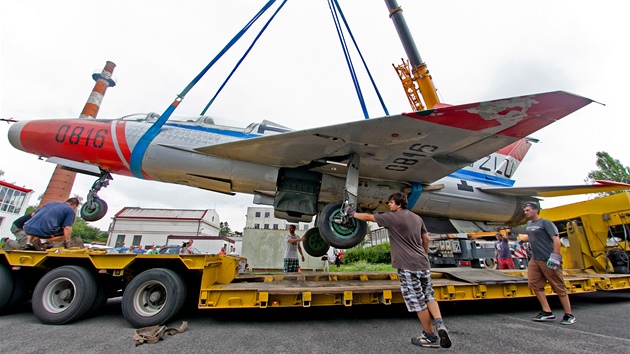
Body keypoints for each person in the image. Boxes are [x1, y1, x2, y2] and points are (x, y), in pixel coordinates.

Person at [350, 192, 451, 348]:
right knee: (429, 295)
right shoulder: (417, 218)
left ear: (398, 204)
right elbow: (426, 239)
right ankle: (440, 324)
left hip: (406, 266)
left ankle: (430, 337)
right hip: (423, 264)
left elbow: (369, 218)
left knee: (417, 301)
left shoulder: (393, 217)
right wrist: (424, 254)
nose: (389, 205)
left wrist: (352, 213)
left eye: (391, 203)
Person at [522, 202, 576, 325]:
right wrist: (521, 240)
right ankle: (547, 312)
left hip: (547, 258)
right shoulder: (529, 224)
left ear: (536, 210)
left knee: (558, 286)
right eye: (525, 210)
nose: (526, 212)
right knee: (535, 285)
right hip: (535, 259)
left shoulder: (546, 223)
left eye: (528, 210)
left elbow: (556, 239)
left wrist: (555, 256)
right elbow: (532, 236)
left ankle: (569, 315)